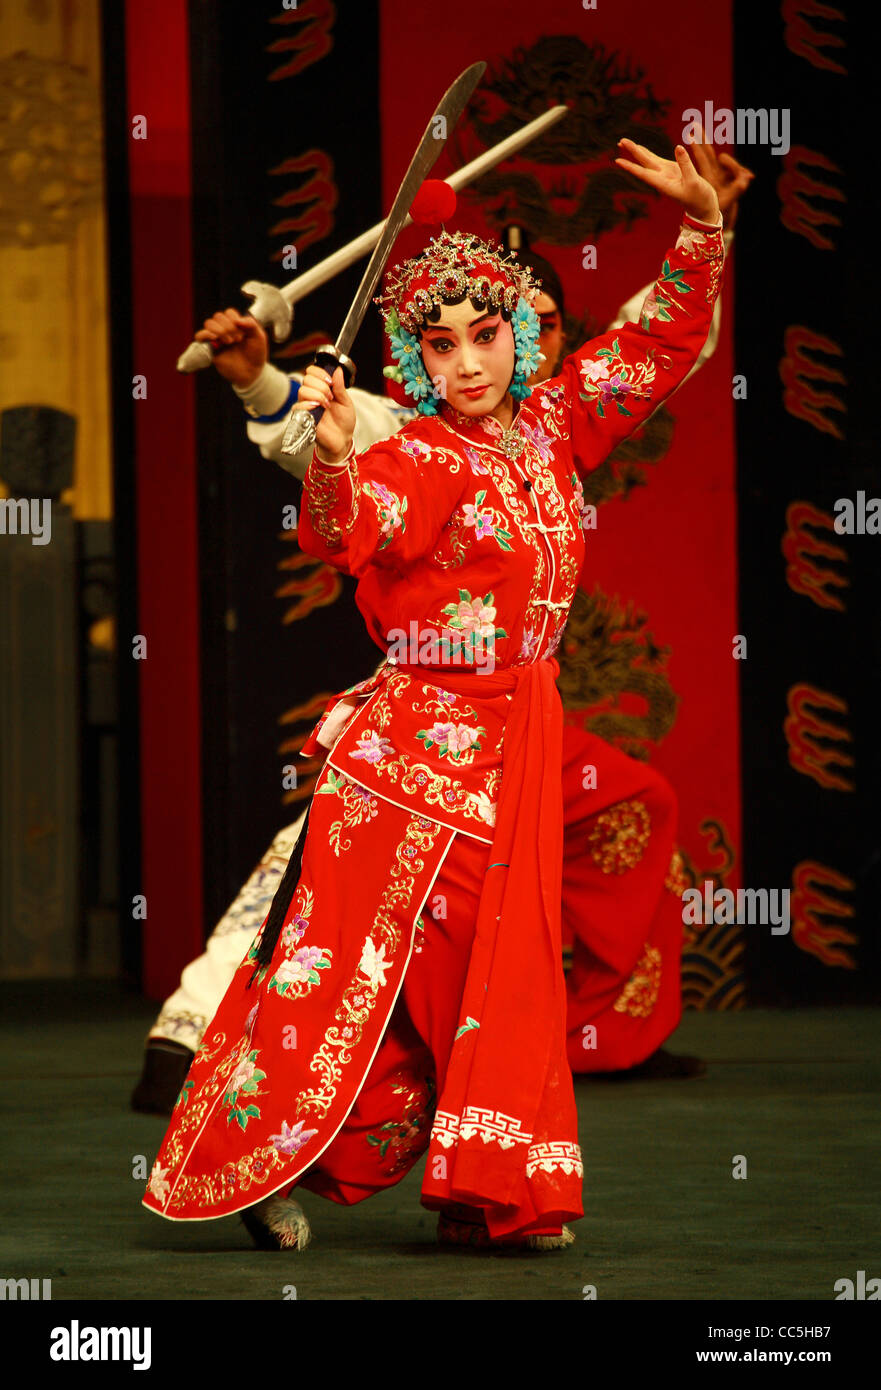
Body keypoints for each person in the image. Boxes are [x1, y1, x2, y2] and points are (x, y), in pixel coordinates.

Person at [142, 139, 726, 1251]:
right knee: (337, 979)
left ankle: (484, 1191)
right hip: (409, 760)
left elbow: (650, 347)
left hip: (513, 748)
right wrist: (322, 449)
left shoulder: (553, 429)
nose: (465, 362)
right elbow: (342, 526)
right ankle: (249, 1164)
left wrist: (700, 232)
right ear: (413, 359)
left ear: (520, 335)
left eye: (484, 335)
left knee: (490, 986)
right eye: (437, 343)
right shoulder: (415, 457)